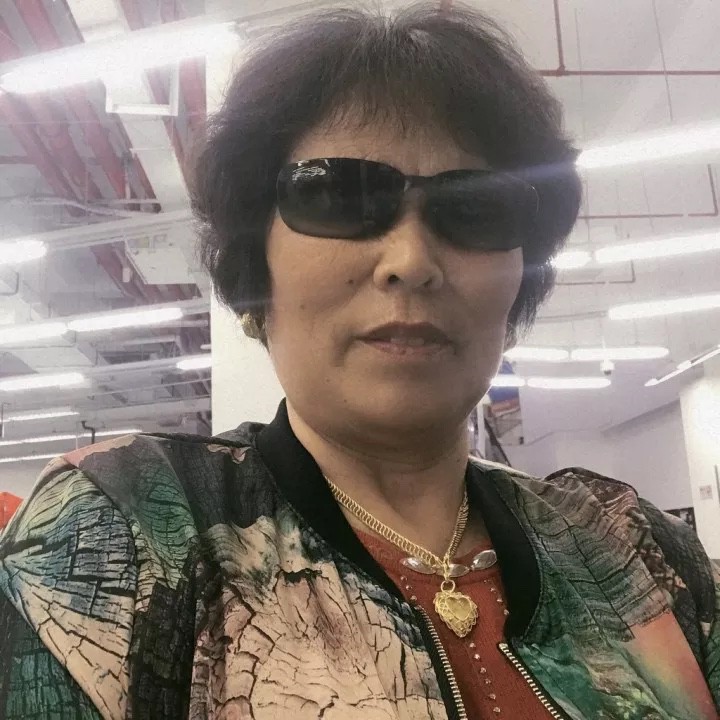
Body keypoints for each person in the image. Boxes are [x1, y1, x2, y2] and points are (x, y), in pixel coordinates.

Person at [0, 3, 718, 719]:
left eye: (475, 209)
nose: (411, 261)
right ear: (256, 263)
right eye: (338, 196)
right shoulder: (126, 533)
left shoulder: (638, 554)